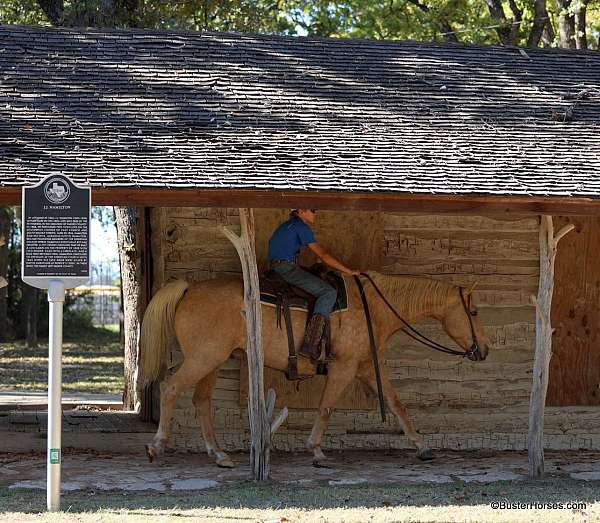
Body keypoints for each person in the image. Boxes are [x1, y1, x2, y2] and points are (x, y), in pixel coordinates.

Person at [268, 209, 360, 362]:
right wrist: (348, 271)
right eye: (312, 210)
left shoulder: (286, 225)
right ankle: (310, 344)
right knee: (328, 292)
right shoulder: (301, 226)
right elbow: (323, 255)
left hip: (278, 267)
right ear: (301, 211)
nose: (315, 213)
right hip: (287, 269)